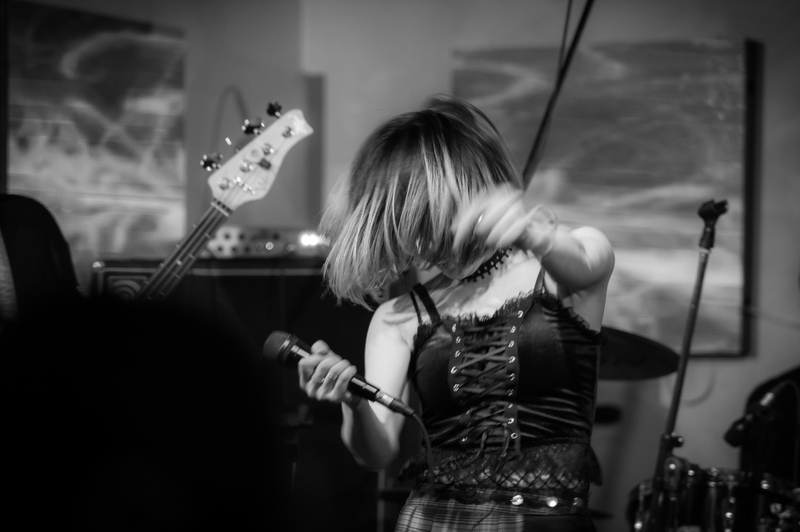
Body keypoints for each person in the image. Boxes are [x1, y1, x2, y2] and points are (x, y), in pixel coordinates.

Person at [296, 95, 615, 531]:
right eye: (406, 233)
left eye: (425, 224)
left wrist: (535, 235)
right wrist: (353, 402)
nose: (419, 247)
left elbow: (586, 261)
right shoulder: (399, 317)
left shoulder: (570, 261)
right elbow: (377, 453)